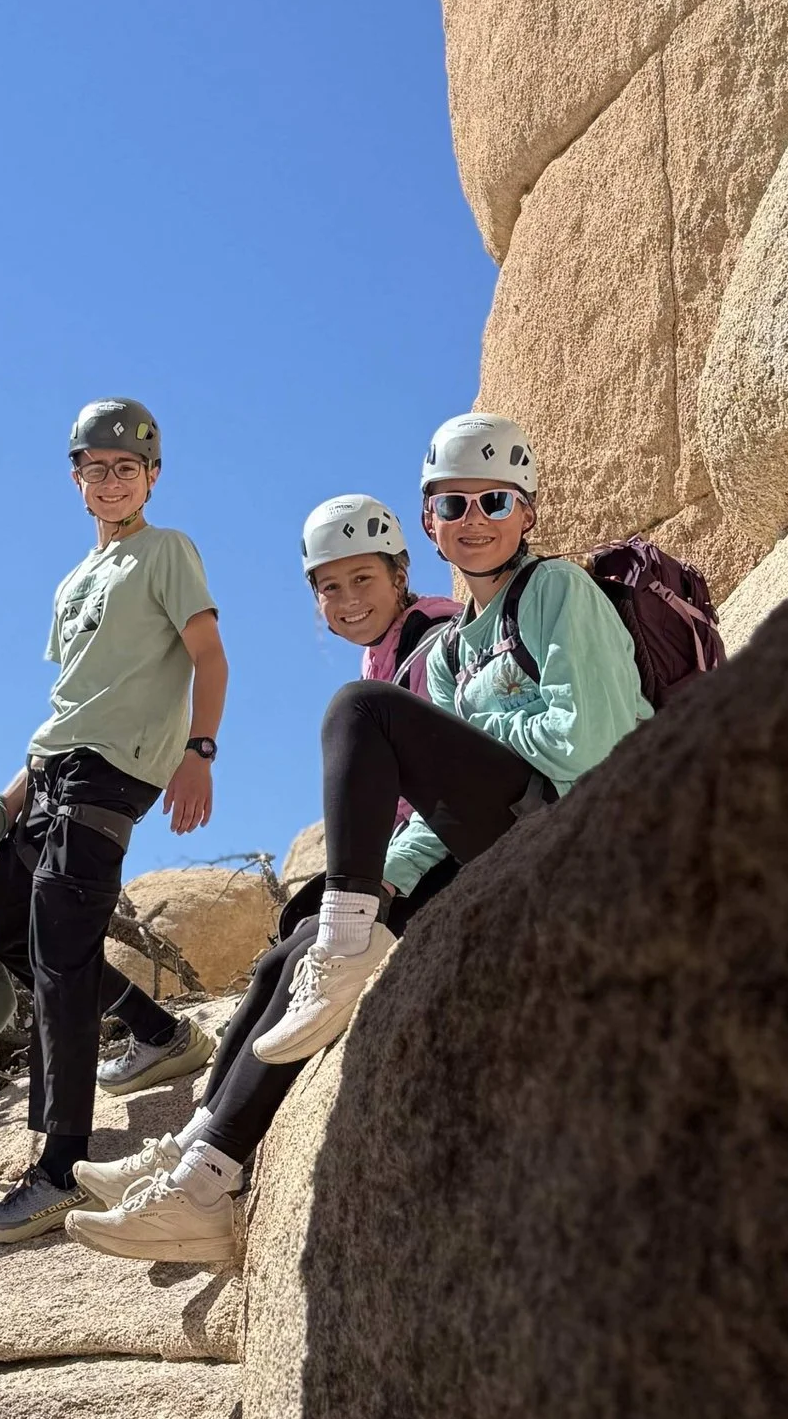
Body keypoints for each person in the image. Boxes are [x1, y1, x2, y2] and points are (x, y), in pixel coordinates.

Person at [67, 493, 455, 1269]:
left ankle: (205, 1182)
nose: (347, 601)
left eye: (362, 580)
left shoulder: (434, 638)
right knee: (284, 959)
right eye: (330, 587)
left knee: (312, 947)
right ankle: (188, 1148)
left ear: (400, 572)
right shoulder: (388, 651)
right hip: (407, 862)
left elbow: (443, 787)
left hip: (437, 862)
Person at [246, 412, 653, 1067]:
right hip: (516, 836)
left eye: (495, 499)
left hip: (594, 832)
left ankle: (346, 946)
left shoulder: (557, 589)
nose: (474, 518)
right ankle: (206, 1148)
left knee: (362, 710)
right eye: (452, 503)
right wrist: (387, 878)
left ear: (527, 512)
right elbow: (445, 802)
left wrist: (477, 730)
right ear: (430, 520)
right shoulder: (452, 652)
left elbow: (588, 745)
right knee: (301, 934)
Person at [0, 398, 228, 1245]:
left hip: (109, 776)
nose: (111, 480)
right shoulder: (73, 582)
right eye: (97, 467)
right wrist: (8, 797)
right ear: (75, 478)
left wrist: (201, 750)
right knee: (5, 928)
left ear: (152, 476)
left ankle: (59, 1167)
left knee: (59, 955)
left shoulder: (167, 551)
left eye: (128, 467)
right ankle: (158, 1032)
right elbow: (68, 703)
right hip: (51, 770)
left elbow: (208, 654)